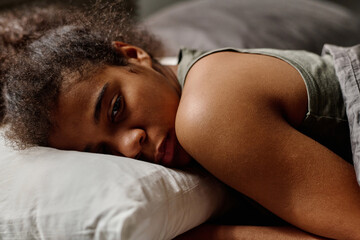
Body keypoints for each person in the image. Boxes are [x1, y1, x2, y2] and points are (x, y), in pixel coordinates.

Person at [1, 2, 360, 239]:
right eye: (103, 153)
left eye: (115, 109)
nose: (129, 147)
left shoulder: (207, 111)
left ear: (134, 55)